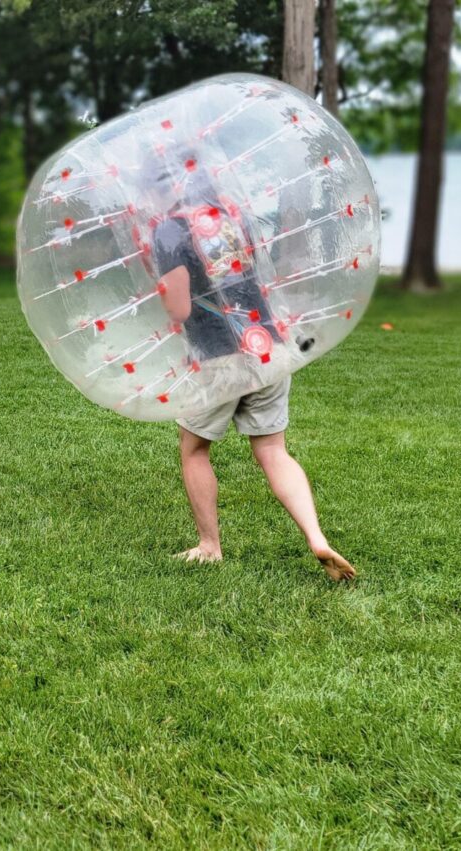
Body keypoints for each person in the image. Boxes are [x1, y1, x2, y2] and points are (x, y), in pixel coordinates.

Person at [151, 188, 355, 582]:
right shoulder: (232, 217)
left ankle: (209, 546)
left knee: (194, 449)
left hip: (218, 359)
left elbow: (180, 309)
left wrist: (160, 293)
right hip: (268, 347)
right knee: (273, 451)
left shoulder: (169, 231)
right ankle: (316, 536)